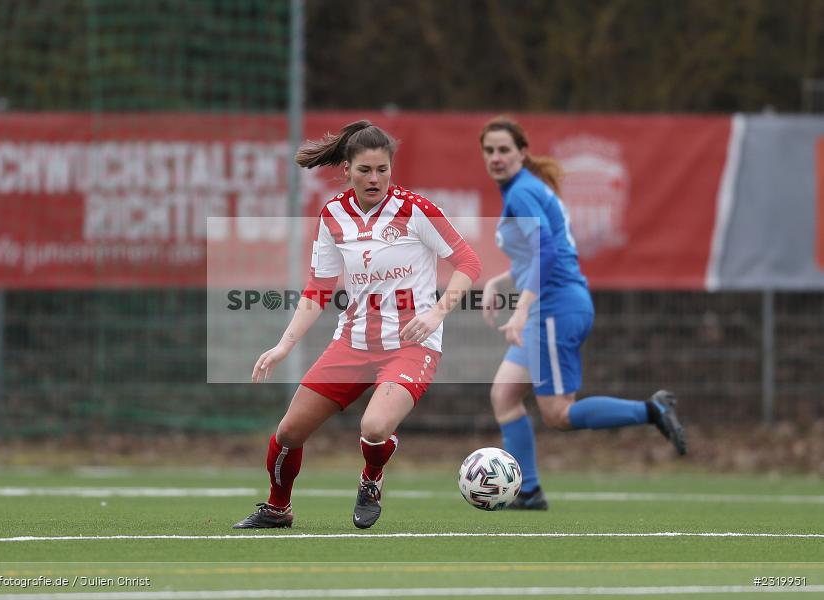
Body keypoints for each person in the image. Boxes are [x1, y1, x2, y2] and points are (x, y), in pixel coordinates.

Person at [233, 120, 481, 529]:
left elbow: (468, 262)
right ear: (346, 170)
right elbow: (317, 290)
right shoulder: (333, 214)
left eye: (382, 169)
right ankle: (278, 509)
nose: (375, 178)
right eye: (365, 170)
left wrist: (437, 312)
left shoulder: (416, 210)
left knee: (375, 426)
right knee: (289, 432)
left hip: (410, 345)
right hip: (351, 343)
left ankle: (371, 479)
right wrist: (284, 346)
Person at [478, 115, 686, 511]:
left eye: (504, 149)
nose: (496, 157)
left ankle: (652, 410)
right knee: (504, 396)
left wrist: (521, 310)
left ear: (522, 152)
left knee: (558, 413)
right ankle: (528, 491)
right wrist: (501, 282)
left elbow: (548, 252)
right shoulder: (528, 188)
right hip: (554, 304)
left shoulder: (522, 192)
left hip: (553, 309)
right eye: (489, 151)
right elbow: (542, 251)